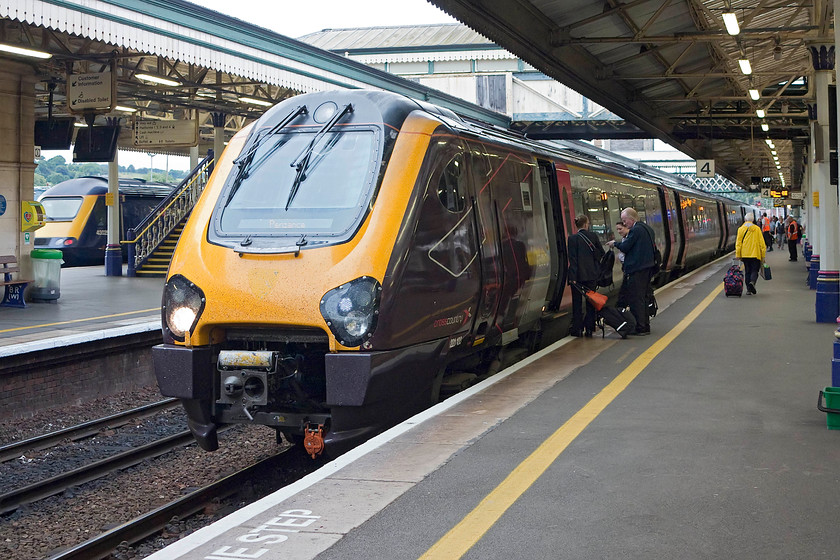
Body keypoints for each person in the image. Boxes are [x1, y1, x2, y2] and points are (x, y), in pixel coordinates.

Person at [607, 207, 655, 335]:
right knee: (644, 298)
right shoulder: (647, 228)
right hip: (647, 268)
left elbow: (625, 246)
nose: (624, 223)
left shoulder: (635, 230)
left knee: (636, 299)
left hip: (637, 269)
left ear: (631, 219)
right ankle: (645, 325)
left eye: (624, 220)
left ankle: (640, 327)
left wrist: (615, 244)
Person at [567, 215, 604, 337]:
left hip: (577, 276)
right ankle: (589, 328)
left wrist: (572, 277)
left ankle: (577, 329)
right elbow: (601, 253)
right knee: (591, 302)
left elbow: (572, 260)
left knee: (577, 303)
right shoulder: (593, 236)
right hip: (591, 275)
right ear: (585, 225)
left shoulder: (572, 239)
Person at [735, 212, 766, 294]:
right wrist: (763, 254)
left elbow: (738, 243)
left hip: (745, 254)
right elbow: (762, 243)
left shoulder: (741, 229)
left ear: (745, 219)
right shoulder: (757, 229)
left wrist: (738, 254)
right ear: (753, 220)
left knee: (747, 271)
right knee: (755, 270)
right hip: (755, 254)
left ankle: (748, 290)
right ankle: (752, 282)